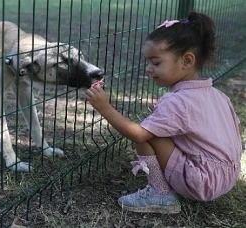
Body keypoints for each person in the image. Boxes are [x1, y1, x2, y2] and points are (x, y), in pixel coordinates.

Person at [86, 11, 243, 214]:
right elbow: (237, 130)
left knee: (148, 135)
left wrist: (104, 107)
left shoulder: (177, 101)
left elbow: (139, 135)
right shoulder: (219, 96)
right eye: (148, 62)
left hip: (201, 182)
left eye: (156, 62)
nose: (149, 69)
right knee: (159, 129)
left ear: (187, 61)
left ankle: (160, 194)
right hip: (229, 176)